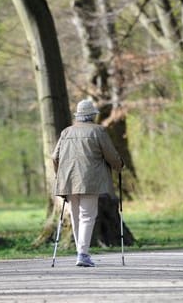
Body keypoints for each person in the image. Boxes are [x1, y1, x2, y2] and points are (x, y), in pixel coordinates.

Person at [52, 99, 123, 267]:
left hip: (68, 180)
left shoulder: (66, 132)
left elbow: (55, 157)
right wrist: (119, 165)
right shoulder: (98, 131)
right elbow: (111, 155)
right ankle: (82, 254)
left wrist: (59, 175)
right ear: (92, 116)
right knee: (87, 216)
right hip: (90, 180)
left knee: (76, 217)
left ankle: (80, 252)